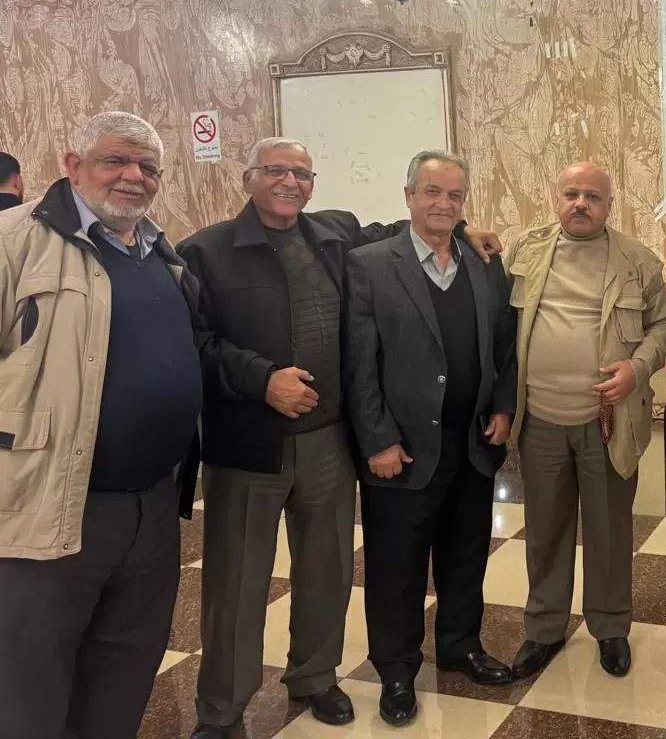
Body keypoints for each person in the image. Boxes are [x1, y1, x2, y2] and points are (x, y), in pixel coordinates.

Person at [177, 138, 502, 738]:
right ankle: (221, 711)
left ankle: (314, 675)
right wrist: (260, 379)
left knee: (327, 569)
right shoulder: (204, 251)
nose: (290, 182)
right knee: (238, 583)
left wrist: (465, 226)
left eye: (302, 173)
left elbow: (413, 227)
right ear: (248, 178)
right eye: (276, 171)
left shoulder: (334, 235)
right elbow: (191, 342)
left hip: (327, 437)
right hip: (249, 444)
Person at [0, 112, 203, 739]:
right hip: (50, 507)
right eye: (115, 160)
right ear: (72, 165)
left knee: (125, 670)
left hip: (151, 508)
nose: (133, 176)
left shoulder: (158, 249)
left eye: (148, 167)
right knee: (31, 688)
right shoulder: (13, 241)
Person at [344, 151, 518, 727]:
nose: (444, 204)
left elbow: (504, 344)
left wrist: (503, 406)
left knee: (466, 553)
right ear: (409, 196)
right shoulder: (370, 264)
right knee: (396, 565)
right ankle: (397, 669)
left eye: (455, 195)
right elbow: (359, 365)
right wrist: (377, 440)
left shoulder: (484, 262)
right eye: (432, 192)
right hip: (402, 451)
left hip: (472, 443)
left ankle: (461, 646)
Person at [505, 162, 666, 680]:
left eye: (593, 196)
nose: (581, 203)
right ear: (555, 198)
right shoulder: (525, 252)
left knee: (608, 530)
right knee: (545, 529)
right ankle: (544, 628)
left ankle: (610, 627)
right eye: (571, 194)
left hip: (608, 422)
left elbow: (663, 325)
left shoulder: (637, 261)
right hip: (539, 418)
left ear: (609, 205)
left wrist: (637, 367)